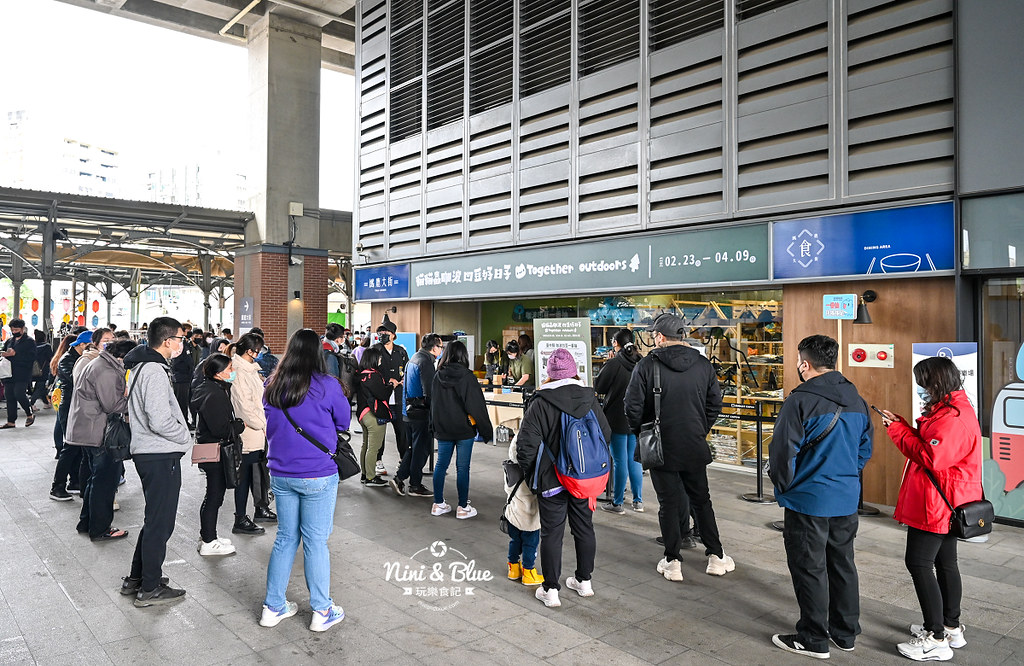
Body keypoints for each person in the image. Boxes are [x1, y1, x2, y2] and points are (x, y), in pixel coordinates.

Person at [768, 334, 873, 659]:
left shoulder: (799, 400)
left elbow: (781, 454)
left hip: (808, 500)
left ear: (804, 363)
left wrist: (786, 487)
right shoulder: (855, 398)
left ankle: (813, 638)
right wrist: (844, 479)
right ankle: (845, 634)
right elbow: (864, 449)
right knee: (843, 564)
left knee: (809, 566)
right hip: (845, 498)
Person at [881, 356, 981, 661]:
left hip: (937, 502)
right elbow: (932, 446)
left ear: (935, 382)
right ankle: (951, 627)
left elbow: (931, 457)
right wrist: (902, 425)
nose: (920, 388)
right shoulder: (952, 408)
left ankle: (935, 637)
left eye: (923, 382)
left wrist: (897, 431)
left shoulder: (952, 417)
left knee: (919, 563)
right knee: (946, 562)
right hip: (950, 499)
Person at [624, 313, 733, 582]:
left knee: (668, 504)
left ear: (660, 337)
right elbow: (714, 405)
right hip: (693, 445)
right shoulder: (703, 364)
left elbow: (632, 406)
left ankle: (672, 561)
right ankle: (716, 557)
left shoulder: (647, 365)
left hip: (660, 447)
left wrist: (644, 433)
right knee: (701, 501)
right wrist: (699, 429)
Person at [261, 328, 350, 632]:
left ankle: (273, 607)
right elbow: (342, 421)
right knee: (315, 541)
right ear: (317, 353)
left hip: (280, 473)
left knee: (286, 538)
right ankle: (322, 611)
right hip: (318, 473)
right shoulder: (328, 385)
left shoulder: (271, 384)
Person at [517, 348, 611, 608]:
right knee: (584, 528)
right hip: (583, 479)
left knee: (552, 534)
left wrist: (533, 474)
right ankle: (584, 581)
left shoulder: (541, 401)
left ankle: (551, 590)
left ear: (549, 374)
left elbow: (526, 446)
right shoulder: (588, 397)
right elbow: (606, 434)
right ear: (574, 371)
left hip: (552, 481)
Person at [120, 317, 192, 607]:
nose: (182, 344)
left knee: (154, 519)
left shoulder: (144, 366)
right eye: (180, 339)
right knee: (161, 523)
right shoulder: (153, 370)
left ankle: (137, 578)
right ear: (167, 341)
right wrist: (185, 437)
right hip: (159, 454)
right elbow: (159, 418)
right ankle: (150, 588)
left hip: (150, 452)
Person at [65, 338, 136, 541]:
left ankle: (87, 523)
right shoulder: (105, 370)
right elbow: (113, 405)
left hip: (90, 429)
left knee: (95, 480)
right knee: (105, 482)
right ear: (123, 357)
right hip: (98, 432)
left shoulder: (100, 363)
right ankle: (100, 528)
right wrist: (135, 401)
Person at [192, 353, 247, 555]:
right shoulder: (214, 394)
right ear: (218, 373)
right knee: (214, 496)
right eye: (230, 369)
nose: (233, 372)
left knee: (214, 495)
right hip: (216, 450)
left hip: (212, 449)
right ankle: (208, 541)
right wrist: (239, 426)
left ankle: (209, 535)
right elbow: (220, 428)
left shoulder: (213, 389)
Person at [430, 340, 492, 519]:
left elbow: (433, 404)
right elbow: (476, 405)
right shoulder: (467, 377)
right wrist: (485, 429)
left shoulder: (438, 375)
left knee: (441, 465)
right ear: (463, 355)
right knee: (462, 467)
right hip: (464, 429)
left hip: (443, 428)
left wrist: (433, 426)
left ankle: (438, 503)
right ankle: (463, 507)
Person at [595, 328, 644, 514]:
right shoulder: (642, 362)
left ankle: (617, 503)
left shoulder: (614, 363)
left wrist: (607, 364)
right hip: (636, 418)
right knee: (635, 460)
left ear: (615, 343)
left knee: (619, 461)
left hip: (616, 418)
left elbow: (599, 387)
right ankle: (638, 502)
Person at [390, 333, 443, 498]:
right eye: (440, 346)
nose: (441, 350)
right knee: (421, 450)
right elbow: (429, 392)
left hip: (408, 411)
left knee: (413, 448)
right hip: (420, 413)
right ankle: (414, 485)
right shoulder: (426, 362)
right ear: (434, 347)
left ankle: (400, 477)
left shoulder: (414, 358)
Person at [231, 332, 276, 526]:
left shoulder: (250, 369)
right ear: (250, 351)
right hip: (249, 432)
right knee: (244, 477)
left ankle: (260, 508)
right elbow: (244, 406)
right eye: (258, 350)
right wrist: (263, 425)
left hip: (259, 430)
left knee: (258, 473)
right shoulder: (239, 372)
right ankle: (240, 517)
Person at [49, 331, 91, 501]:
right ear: (82, 345)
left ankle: (74, 481)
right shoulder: (67, 359)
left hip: (77, 405)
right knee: (71, 446)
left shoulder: (79, 358)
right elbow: (78, 381)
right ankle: (57, 486)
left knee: (78, 447)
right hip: (69, 406)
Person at [504, 434, 544, 587]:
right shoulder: (533, 474)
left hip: (514, 514)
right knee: (530, 545)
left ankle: (513, 568)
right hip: (529, 518)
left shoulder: (509, 468)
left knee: (515, 541)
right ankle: (528, 572)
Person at [372, 315, 409, 475]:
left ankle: (403, 460)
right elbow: (369, 372)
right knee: (379, 432)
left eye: (386, 332)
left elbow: (407, 370)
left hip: (399, 399)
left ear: (393, 334)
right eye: (381, 332)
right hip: (381, 399)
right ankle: (378, 461)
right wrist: (388, 380)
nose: (383, 334)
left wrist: (402, 381)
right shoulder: (374, 351)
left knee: (402, 432)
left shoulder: (401, 351)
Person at [356, 346, 393, 487]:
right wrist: (391, 385)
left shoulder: (361, 374)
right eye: (379, 358)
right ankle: (371, 478)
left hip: (362, 414)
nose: (380, 360)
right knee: (374, 448)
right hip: (373, 415)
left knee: (366, 445)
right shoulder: (374, 375)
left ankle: (365, 475)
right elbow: (382, 394)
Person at [2, 318, 37, 429]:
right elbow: (4, 351)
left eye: (16, 329)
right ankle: (11, 421)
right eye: (12, 329)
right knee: (9, 396)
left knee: (19, 393)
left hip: (23, 373)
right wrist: (5, 354)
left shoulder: (29, 342)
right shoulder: (9, 341)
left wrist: (15, 355)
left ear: (22, 329)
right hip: (9, 373)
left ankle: (29, 413)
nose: (14, 331)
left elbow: (31, 357)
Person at [48, 333, 76, 458]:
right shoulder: (68, 359)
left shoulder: (58, 357)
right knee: (61, 420)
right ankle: (61, 449)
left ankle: (59, 448)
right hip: (64, 392)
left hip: (57, 392)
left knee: (59, 420)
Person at [30, 329, 53, 410]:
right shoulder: (47, 346)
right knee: (40, 387)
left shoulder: (32, 345)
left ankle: (46, 403)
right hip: (43, 370)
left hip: (32, 369)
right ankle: (31, 404)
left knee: (41, 387)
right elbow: (51, 358)